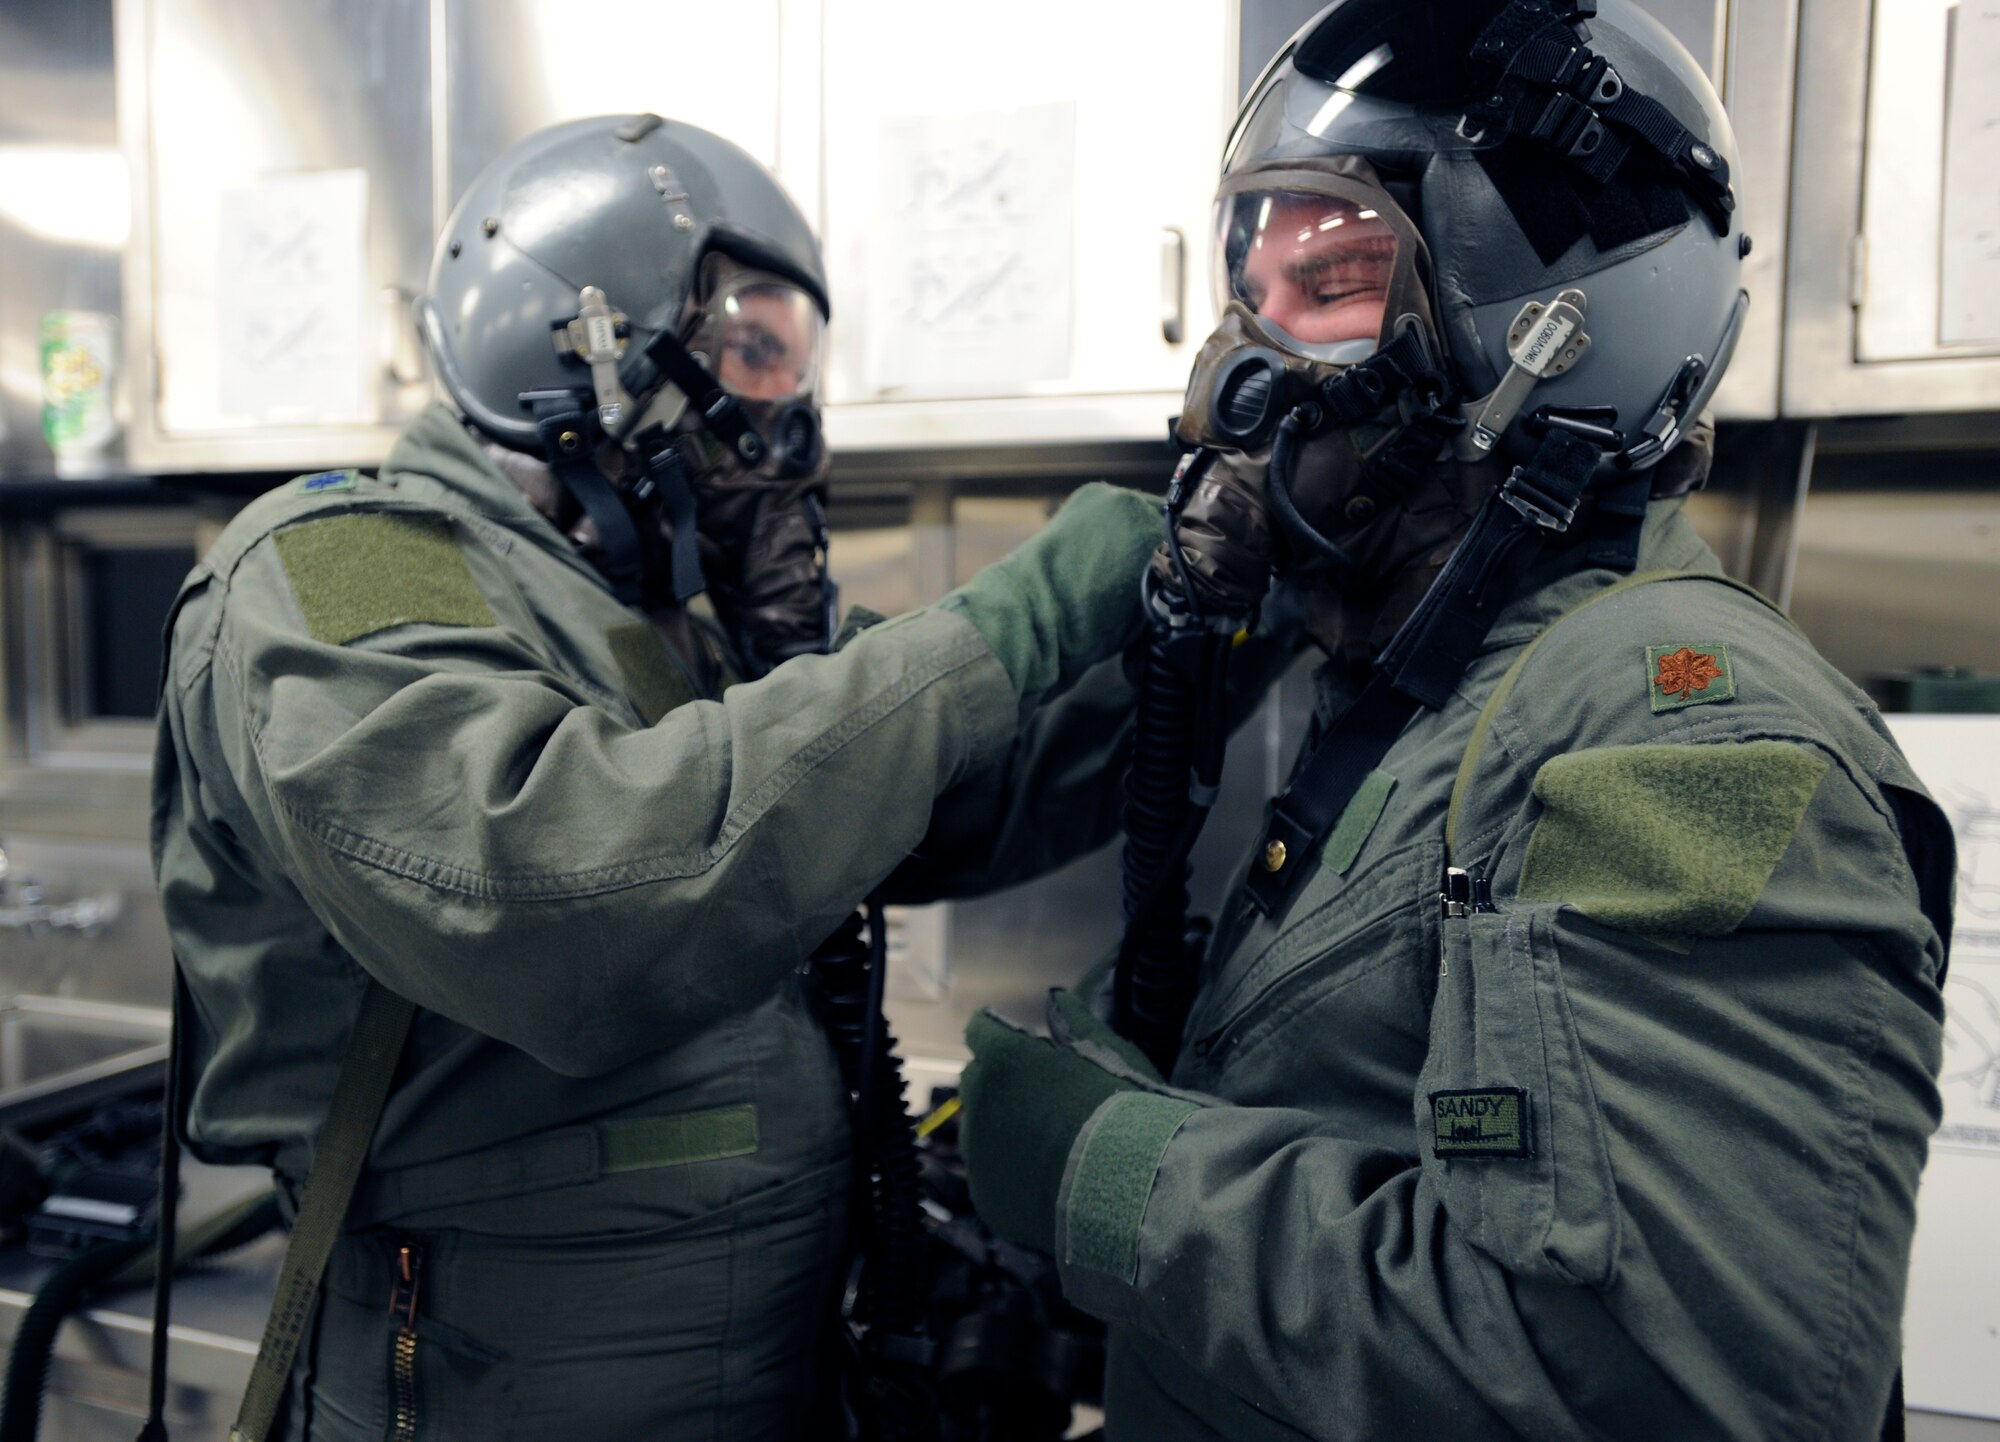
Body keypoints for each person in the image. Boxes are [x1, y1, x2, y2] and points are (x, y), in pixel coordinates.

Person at [956, 5, 1955, 1439]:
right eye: (1254, 278)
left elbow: (1666, 1384)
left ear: (1552, 336)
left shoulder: (1682, 731)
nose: (1232, 376)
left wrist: (1113, 1172)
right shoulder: (1426, 689)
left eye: (1335, 278)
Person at [151, 113, 1165, 1441]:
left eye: (791, 361)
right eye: (750, 347)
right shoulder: (343, 564)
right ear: (580, 343)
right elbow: (556, 897)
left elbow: (935, 794)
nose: (782, 413)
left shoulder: (642, 616)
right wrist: (1014, 618)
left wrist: (1212, 614)